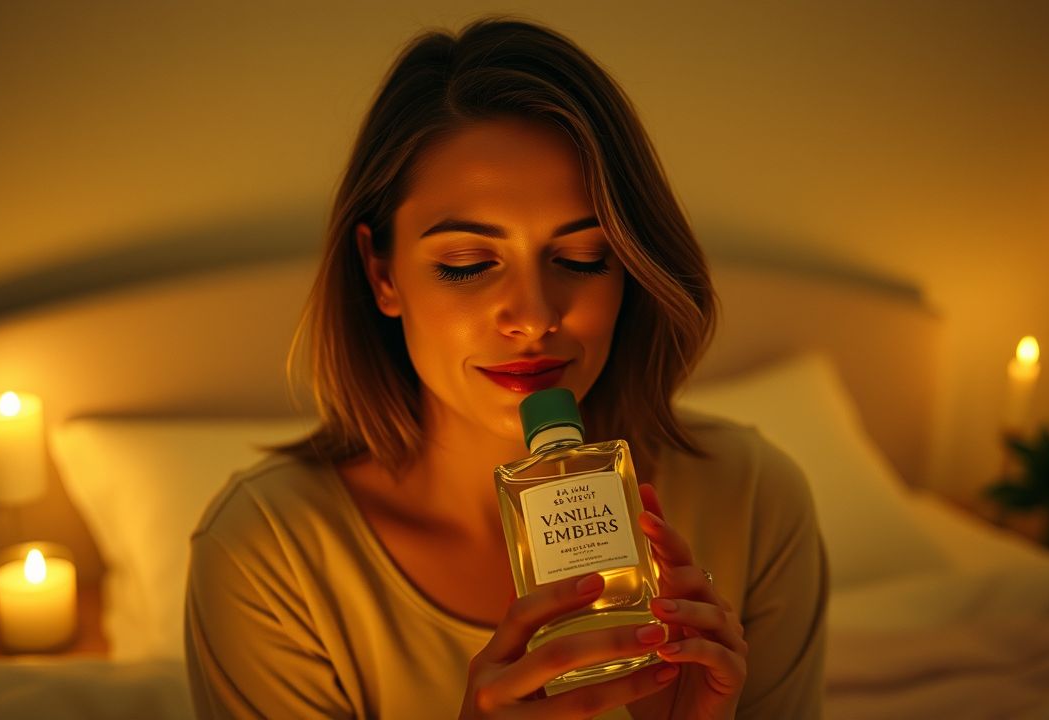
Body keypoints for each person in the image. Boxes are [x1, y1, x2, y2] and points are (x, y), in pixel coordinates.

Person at [184, 15, 827, 720]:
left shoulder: (755, 499)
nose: (533, 316)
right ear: (381, 273)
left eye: (582, 259)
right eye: (467, 266)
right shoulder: (267, 556)